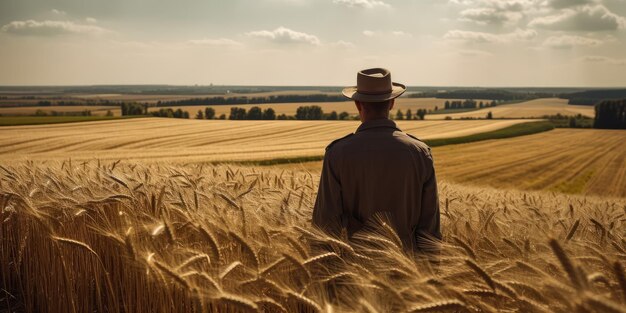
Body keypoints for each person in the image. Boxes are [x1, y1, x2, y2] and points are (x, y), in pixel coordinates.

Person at [312, 68, 441, 253]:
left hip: (356, 269)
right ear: (392, 103)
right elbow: (430, 229)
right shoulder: (420, 152)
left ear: (358, 104)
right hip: (410, 271)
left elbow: (325, 225)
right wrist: (430, 277)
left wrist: (323, 276)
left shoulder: (338, 153)